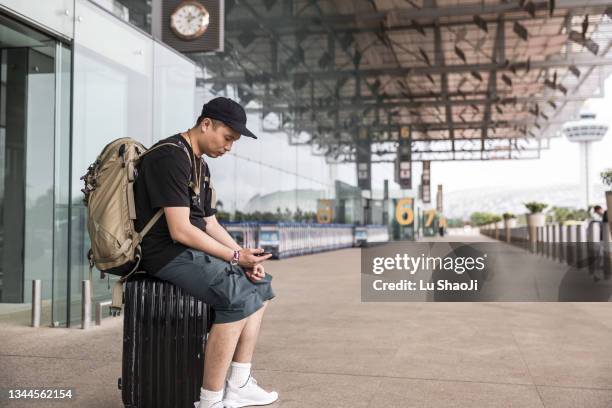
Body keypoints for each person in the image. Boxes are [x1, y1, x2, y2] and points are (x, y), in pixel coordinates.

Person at [133, 97, 278, 408]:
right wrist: (234, 259)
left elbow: (209, 223)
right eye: (227, 138)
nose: (228, 147)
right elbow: (180, 230)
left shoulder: (200, 165)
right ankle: (209, 401)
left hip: (186, 250)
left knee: (259, 285)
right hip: (164, 253)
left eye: (233, 142)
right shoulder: (170, 157)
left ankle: (239, 382)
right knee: (235, 296)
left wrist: (244, 255)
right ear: (206, 124)